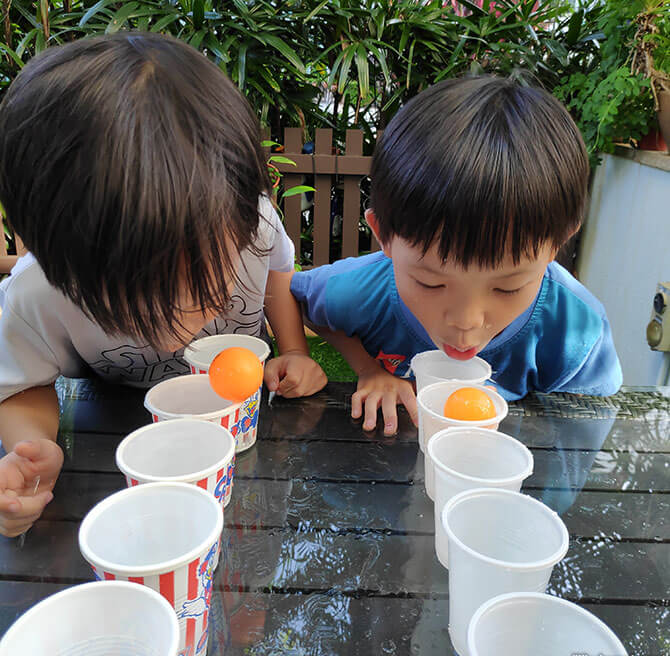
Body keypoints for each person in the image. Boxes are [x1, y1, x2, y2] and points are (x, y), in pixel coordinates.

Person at [0, 32, 327, 537]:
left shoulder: (252, 225)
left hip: (247, 443)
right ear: (65, 265)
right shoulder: (38, 293)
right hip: (121, 441)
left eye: (206, 282)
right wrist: (34, 445)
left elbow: (279, 273)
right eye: (139, 301)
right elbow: (22, 384)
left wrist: (293, 347)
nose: (182, 323)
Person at [291, 76, 622, 437]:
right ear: (383, 235)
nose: (466, 323)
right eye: (430, 282)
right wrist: (370, 369)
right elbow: (300, 299)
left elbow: (585, 424)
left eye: (508, 287)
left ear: (557, 244)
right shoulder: (363, 290)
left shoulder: (575, 330)